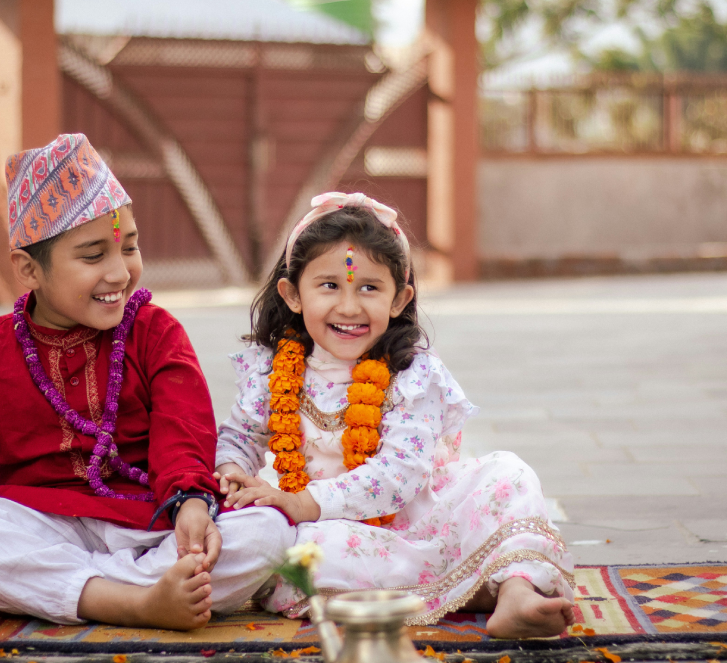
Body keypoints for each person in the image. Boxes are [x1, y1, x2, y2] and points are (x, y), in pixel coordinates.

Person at [0, 133, 294, 631]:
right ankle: (134, 600)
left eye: (129, 248)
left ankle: (77, 592)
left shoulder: (156, 332)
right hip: (43, 529)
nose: (120, 272)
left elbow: (185, 435)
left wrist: (191, 502)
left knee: (267, 530)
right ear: (29, 269)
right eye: (93, 256)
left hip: (155, 526)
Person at [214, 192, 575, 639]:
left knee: (509, 474)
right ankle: (476, 583)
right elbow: (239, 436)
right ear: (292, 294)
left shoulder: (413, 372)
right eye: (329, 285)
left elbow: (399, 474)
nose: (349, 307)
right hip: (328, 531)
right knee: (297, 551)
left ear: (399, 299)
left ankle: (518, 590)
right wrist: (233, 475)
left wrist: (306, 502)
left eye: (369, 287)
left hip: (420, 519)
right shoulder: (270, 367)